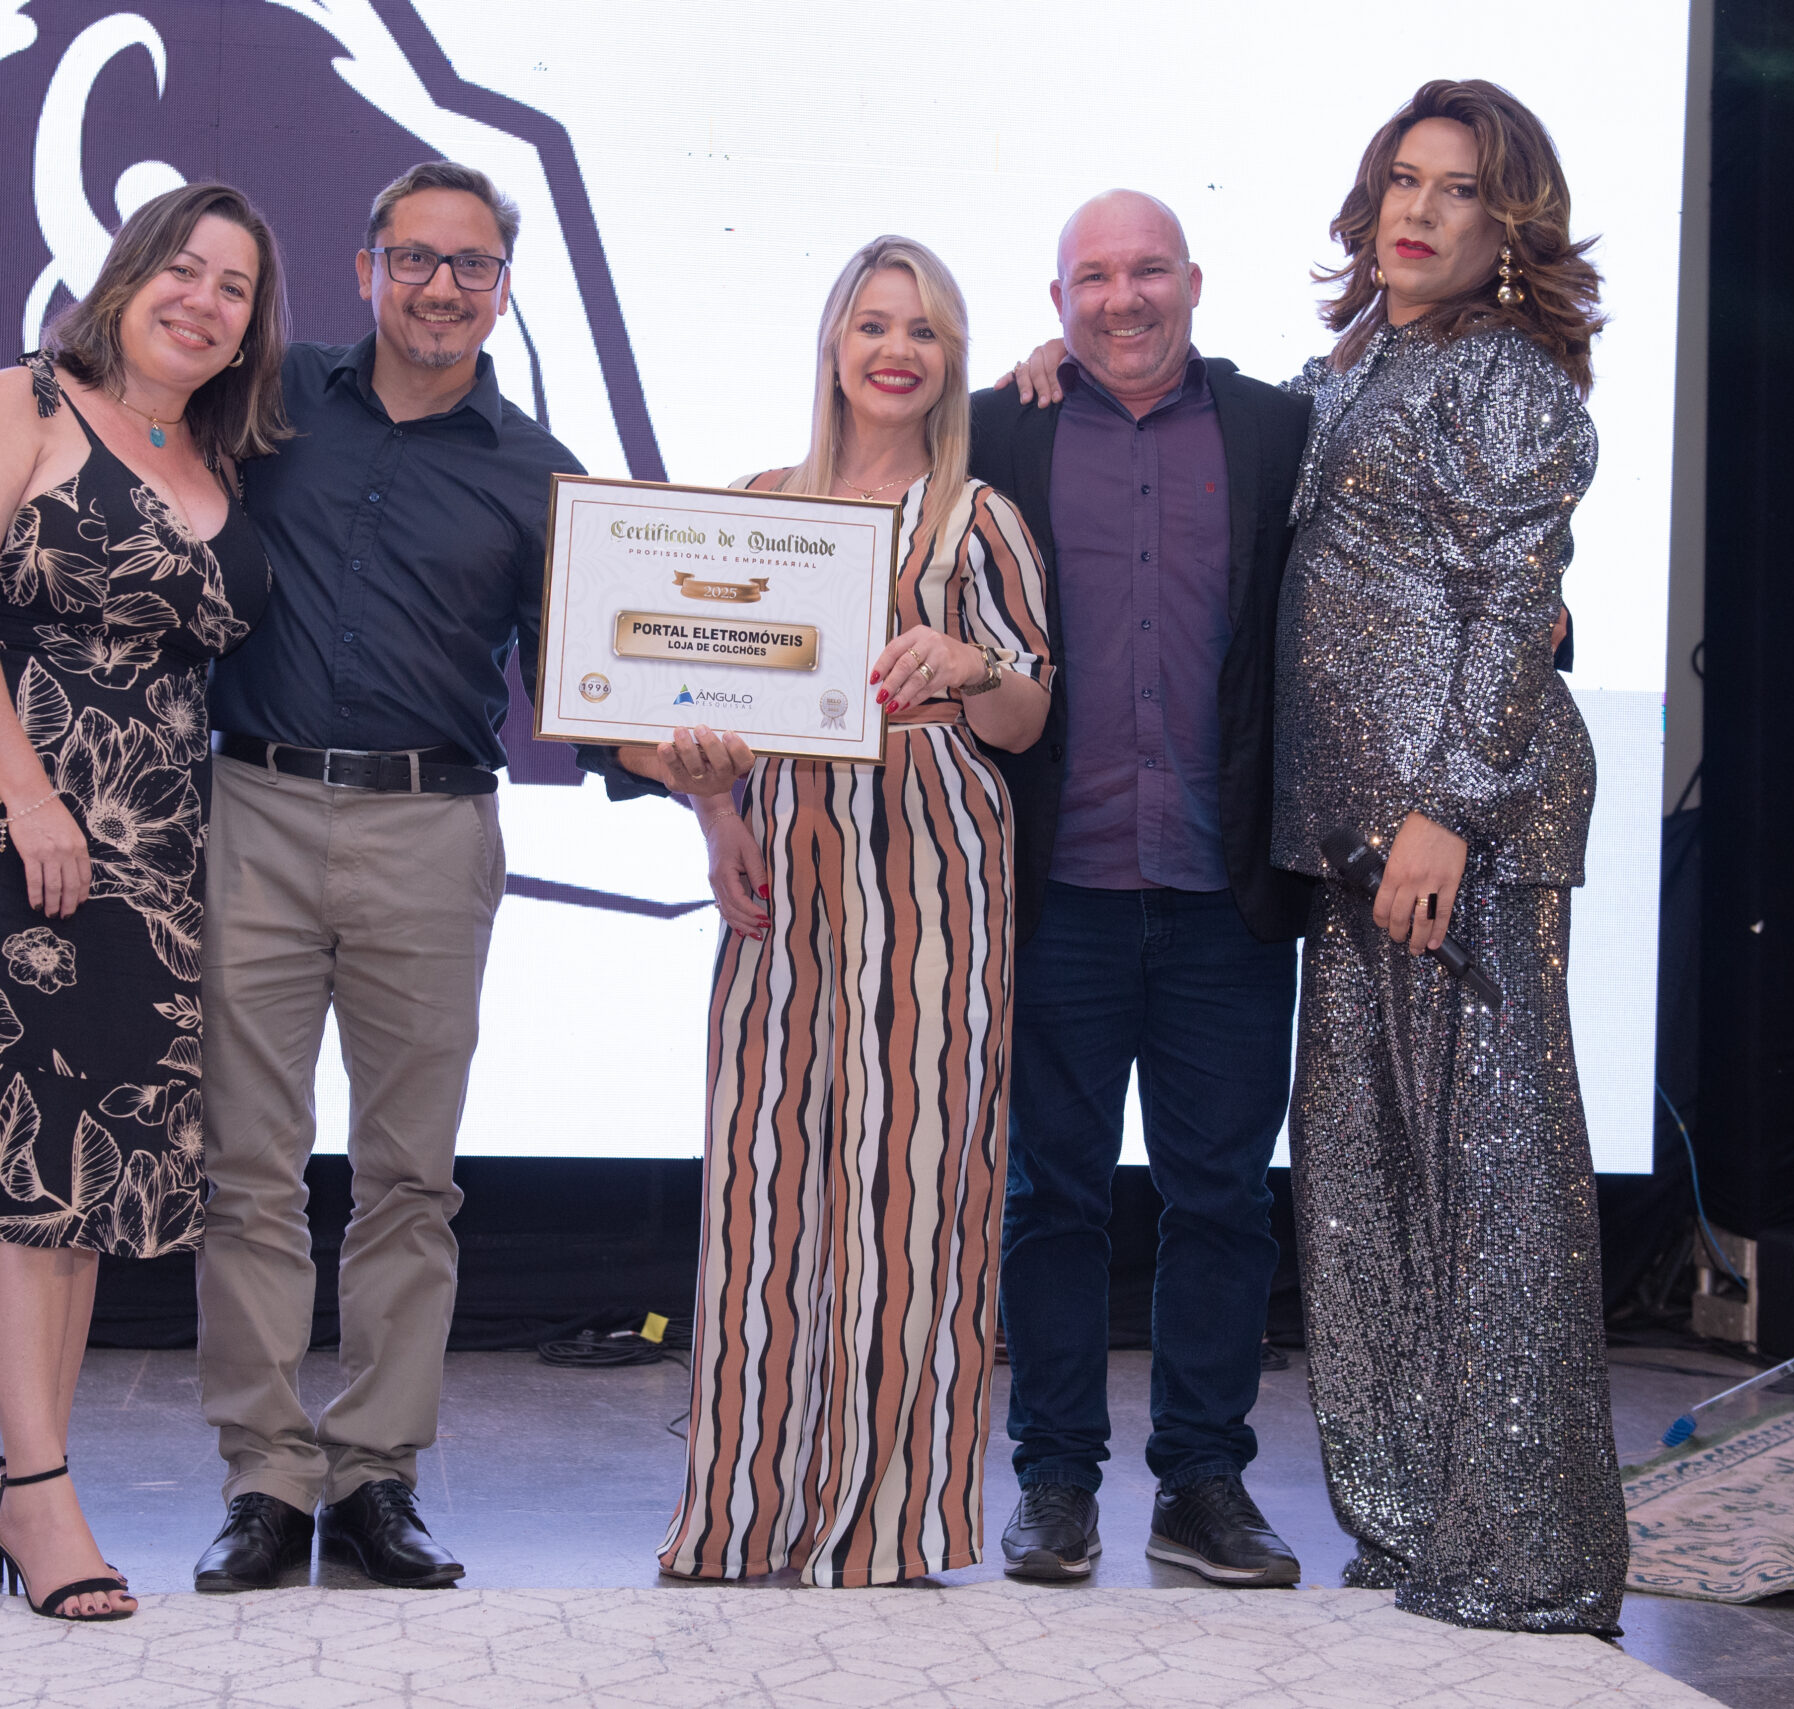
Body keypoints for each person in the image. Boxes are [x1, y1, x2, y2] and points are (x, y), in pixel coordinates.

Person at [0, 161, 668, 1594]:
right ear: (368, 268)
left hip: (433, 828)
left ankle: (377, 1475)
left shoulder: (543, 473)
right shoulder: (260, 406)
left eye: (473, 265)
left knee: (410, 1180)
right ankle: (263, 1475)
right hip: (245, 813)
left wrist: (690, 752)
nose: (441, 286)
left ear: (504, 290)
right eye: (414, 257)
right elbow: (101, 434)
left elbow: (595, 681)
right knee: (247, 1170)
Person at [0, 181, 285, 1621]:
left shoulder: (221, 450)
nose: (203, 301)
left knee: (82, 1172)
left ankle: (35, 1478)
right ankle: (40, 1490)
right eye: (183, 270)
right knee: (14, 1162)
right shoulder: (17, 403)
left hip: (150, 844)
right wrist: (31, 796)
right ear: (127, 275)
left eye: (234, 288)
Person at [608, 237, 1054, 1587]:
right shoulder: (757, 505)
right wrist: (711, 809)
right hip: (783, 868)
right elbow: (669, 712)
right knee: (766, 1182)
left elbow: (1027, 718)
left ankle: (889, 1523)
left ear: (951, 359)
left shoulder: (981, 519)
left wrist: (969, 662)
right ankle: (744, 1511)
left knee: (919, 1185)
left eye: (922, 330)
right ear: (834, 346)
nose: (895, 350)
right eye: (872, 324)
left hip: (935, 867)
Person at [1269, 79, 1623, 1633]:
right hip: (1352, 838)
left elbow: (1513, 602)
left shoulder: (1506, 375)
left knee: (1493, 1187)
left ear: (1509, 223)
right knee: (1363, 1192)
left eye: (1459, 188)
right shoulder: (1354, 366)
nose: (1419, 210)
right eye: (1403, 181)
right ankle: (1417, 1523)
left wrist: (1450, 811)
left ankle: (1534, 1557)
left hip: (1459, 836)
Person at [974, 193, 1315, 1587]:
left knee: (1221, 1200)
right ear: (1057, 303)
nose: (1124, 299)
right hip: (1053, 887)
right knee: (1050, 1197)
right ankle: (1054, 1482)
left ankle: (1203, 1483)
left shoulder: (1279, 430)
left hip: (1225, 890)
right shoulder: (999, 430)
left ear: (1196, 281)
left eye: (1149, 271)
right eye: (1095, 278)